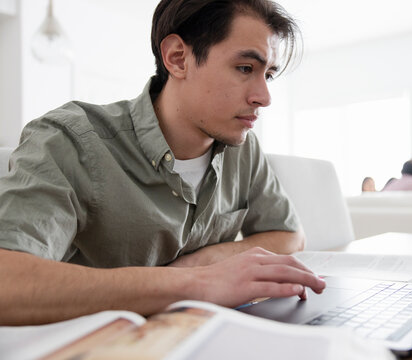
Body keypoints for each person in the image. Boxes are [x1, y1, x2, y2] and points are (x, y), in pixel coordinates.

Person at [0, 0, 326, 326]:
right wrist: (200, 284)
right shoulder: (71, 140)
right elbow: (7, 281)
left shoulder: (243, 148)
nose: (265, 97)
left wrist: (203, 263)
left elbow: (289, 235)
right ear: (177, 58)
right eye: (245, 68)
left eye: (268, 74)